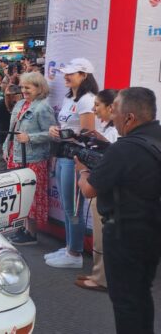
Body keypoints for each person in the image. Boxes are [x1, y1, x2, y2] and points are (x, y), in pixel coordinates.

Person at [75, 87, 161, 334]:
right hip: (152, 229)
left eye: (115, 111)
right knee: (141, 294)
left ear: (130, 117)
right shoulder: (154, 137)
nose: (111, 117)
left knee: (125, 301)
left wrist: (82, 169)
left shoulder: (124, 149)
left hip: (124, 233)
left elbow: (89, 189)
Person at [48, 57, 98, 269]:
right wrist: (55, 131)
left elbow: (89, 134)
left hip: (76, 158)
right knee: (69, 206)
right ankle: (70, 246)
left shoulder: (88, 99)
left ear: (84, 76)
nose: (66, 76)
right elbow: (67, 127)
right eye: (65, 72)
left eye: (72, 73)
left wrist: (65, 133)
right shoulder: (70, 98)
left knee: (73, 208)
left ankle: (75, 253)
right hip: (63, 153)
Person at [3, 73, 56, 245]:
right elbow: (12, 129)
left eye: (28, 88)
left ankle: (31, 233)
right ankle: (22, 228)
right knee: (19, 195)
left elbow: (52, 134)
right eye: (23, 87)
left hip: (33, 158)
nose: (24, 91)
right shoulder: (19, 104)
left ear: (39, 88)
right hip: (16, 155)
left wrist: (30, 138)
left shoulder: (43, 108)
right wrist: (6, 147)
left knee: (30, 197)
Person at [75, 89, 118, 292]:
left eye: (98, 105)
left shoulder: (118, 132)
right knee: (100, 234)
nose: (94, 110)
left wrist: (84, 170)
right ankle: (98, 274)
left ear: (111, 107)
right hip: (101, 186)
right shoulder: (111, 130)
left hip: (103, 188)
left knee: (103, 234)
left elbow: (115, 158)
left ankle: (102, 279)